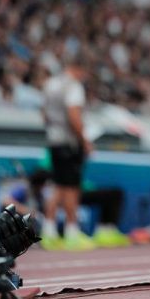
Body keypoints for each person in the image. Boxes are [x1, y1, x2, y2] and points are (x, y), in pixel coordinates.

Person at [40, 60, 94, 250]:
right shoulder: (73, 87)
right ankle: (72, 232)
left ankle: (49, 231)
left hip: (54, 140)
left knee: (58, 185)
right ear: (77, 69)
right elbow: (74, 115)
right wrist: (84, 140)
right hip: (69, 143)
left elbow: (44, 114)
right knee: (71, 187)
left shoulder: (51, 84)